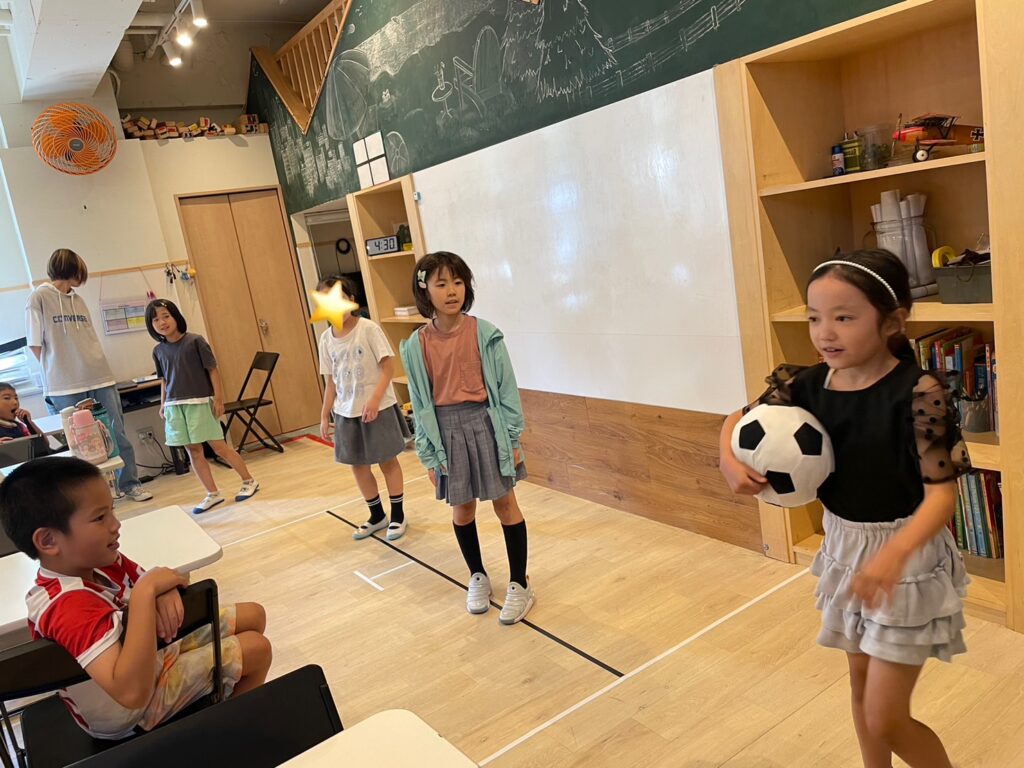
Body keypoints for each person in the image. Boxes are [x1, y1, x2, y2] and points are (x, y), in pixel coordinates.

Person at [719, 249, 971, 768]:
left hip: (907, 557)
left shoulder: (920, 393)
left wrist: (893, 556)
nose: (824, 333)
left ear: (892, 322)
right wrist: (727, 459)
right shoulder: (807, 385)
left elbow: (942, 496)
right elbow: (735, 419)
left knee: (887, 717)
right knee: (859, 689)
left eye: (844, 318)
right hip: (845, 546)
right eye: (815, 318)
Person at [0, 456, 272, 739]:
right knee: (257, 649)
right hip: (126, 713)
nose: (115, 524)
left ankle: (226, 715)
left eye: (112, 511)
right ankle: (235, 736)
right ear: (48, 541)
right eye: (100, 518)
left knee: (254, 614)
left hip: (148, 658)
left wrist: (160, 589)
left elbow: (164, 581)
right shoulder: (67, 606)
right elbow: (131, 694)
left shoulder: (99, 561)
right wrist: (146, 593)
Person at [399, 252, 534, 625]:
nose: (451, 291)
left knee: (505, 503)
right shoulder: (416, 345)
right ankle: (477, 576)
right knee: (462, 510)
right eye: (441, 283)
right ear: (425, 289)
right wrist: (429, 456)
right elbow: (420, 403)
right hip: (446, 434)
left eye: (458, 282)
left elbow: (506, 390)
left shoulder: (485, 333)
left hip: (487, 425)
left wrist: (513, 438)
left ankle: (520, 583)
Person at [25, 248, 152, 501]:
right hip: (64, 385)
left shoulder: (78, 300)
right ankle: (88, 497)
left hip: (100, 376)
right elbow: (34, 343)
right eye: (79, 272)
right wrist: (56, 370)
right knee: (77, 444)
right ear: (71, 269)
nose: (81, 278)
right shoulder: (38, 298)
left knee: (116, 433)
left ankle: (129, 485)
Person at [317, 275, 410, 540]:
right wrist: (324, 415)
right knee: (358, 466)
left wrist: (375, 400)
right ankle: (377, 515)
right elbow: (331, 382)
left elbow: (388, 368)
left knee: (387, 461)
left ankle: (398, 515)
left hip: (377, 409)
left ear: (351, 300)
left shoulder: (368, 329)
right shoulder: (325, 339)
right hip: (346, 412)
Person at [146, 299, 259, 514]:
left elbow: (212, 370)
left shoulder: (195, 341)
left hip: (199, 402)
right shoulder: (158, 351)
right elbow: (164, 380)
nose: (161, 322)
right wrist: (163, 404)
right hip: (175, 405)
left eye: (166, 316)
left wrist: (218, 398)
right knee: (193, 451)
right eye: (155, 320)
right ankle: (212, 493)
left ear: (176, 317)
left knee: (218, 446)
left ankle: (249, 480)